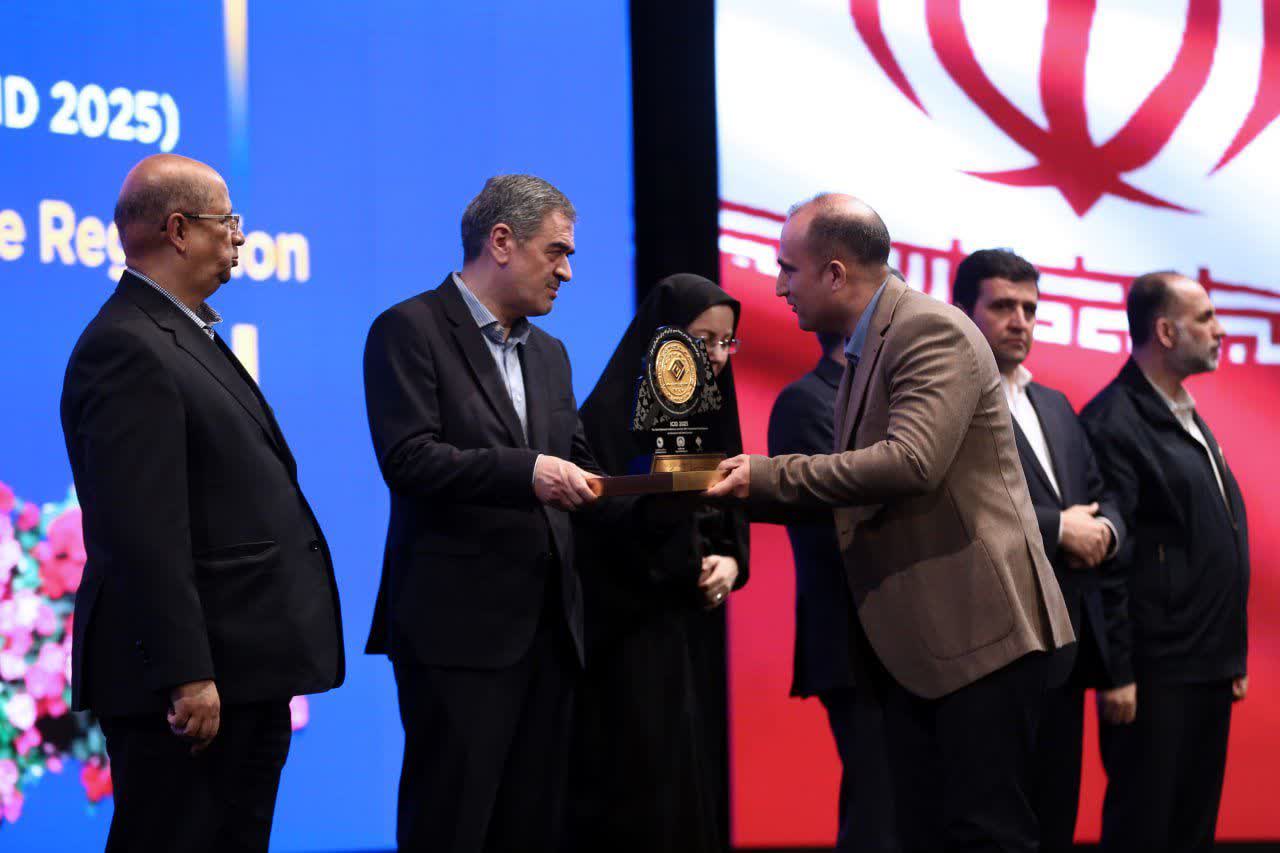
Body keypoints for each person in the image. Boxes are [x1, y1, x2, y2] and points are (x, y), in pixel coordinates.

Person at [706, 193, 1074, 851]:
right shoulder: (870, 342)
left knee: (985, 834)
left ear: (835, 273)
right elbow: (856, 487)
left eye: (788, 269)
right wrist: (729, 491)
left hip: (979, 634)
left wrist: (765, 476)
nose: (780, 286)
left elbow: (911, 462)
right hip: (926, 644)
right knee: (923, 831)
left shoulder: (928, 329)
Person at [59, 154, 344, 852]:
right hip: (192, 689)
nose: (240, 237)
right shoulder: (127, 346)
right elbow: (141, 533)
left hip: (241, 675)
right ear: (180, 229)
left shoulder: (183, 331)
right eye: (229, 221)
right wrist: (187, 673)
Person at [363, 174, 603, 853]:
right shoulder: (408, 329)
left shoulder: (550, 353)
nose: (567, 271)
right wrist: (527, 471)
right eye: (557, 251)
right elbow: (409, 459)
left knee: (532, 830)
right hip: (457, 635)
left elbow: (579, 463)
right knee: (453, 827)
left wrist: (668, 480)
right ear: (501, 242)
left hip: (550, 632)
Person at [567, 274, 749, 853]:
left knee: (689, 786)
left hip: (692, 627)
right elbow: (598, 522)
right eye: (703, 340)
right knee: (635, 789)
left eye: (725, 342)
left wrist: (729, 562)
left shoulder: (713, 412)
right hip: (626, 629)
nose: (716, 356)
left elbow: (730, 515)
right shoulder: (606, 416)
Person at [952, 249, 1126, 853]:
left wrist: (1105, 533)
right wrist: (1057, 529)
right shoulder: (947, 398)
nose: (1021, 321)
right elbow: (957, 505)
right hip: (993, 645)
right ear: (964, 312)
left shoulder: (1053, 403)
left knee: (1057, 817)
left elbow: (1102, 494)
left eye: (1029, 308)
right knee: (996, 826)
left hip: (1066, 645)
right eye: (1004, 306)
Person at [1080, 271, 1249, 853]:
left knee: (1191, 828)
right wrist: (1117, 673)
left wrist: (1229, 653)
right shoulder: (1114, 422)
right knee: (1145, 827)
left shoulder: (1184, 414)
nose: (1219, 331)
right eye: (1205, 318)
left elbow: (1210, 538)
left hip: (1204, 663)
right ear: (1166, 332)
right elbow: (1110, 560)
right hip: (1154, 674)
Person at [767, 329, 899, 853]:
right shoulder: (805, 401)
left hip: (909, 639)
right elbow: (838, 521)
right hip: (854, 638)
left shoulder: (896, 402)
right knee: (879, 811)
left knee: (903, 806)